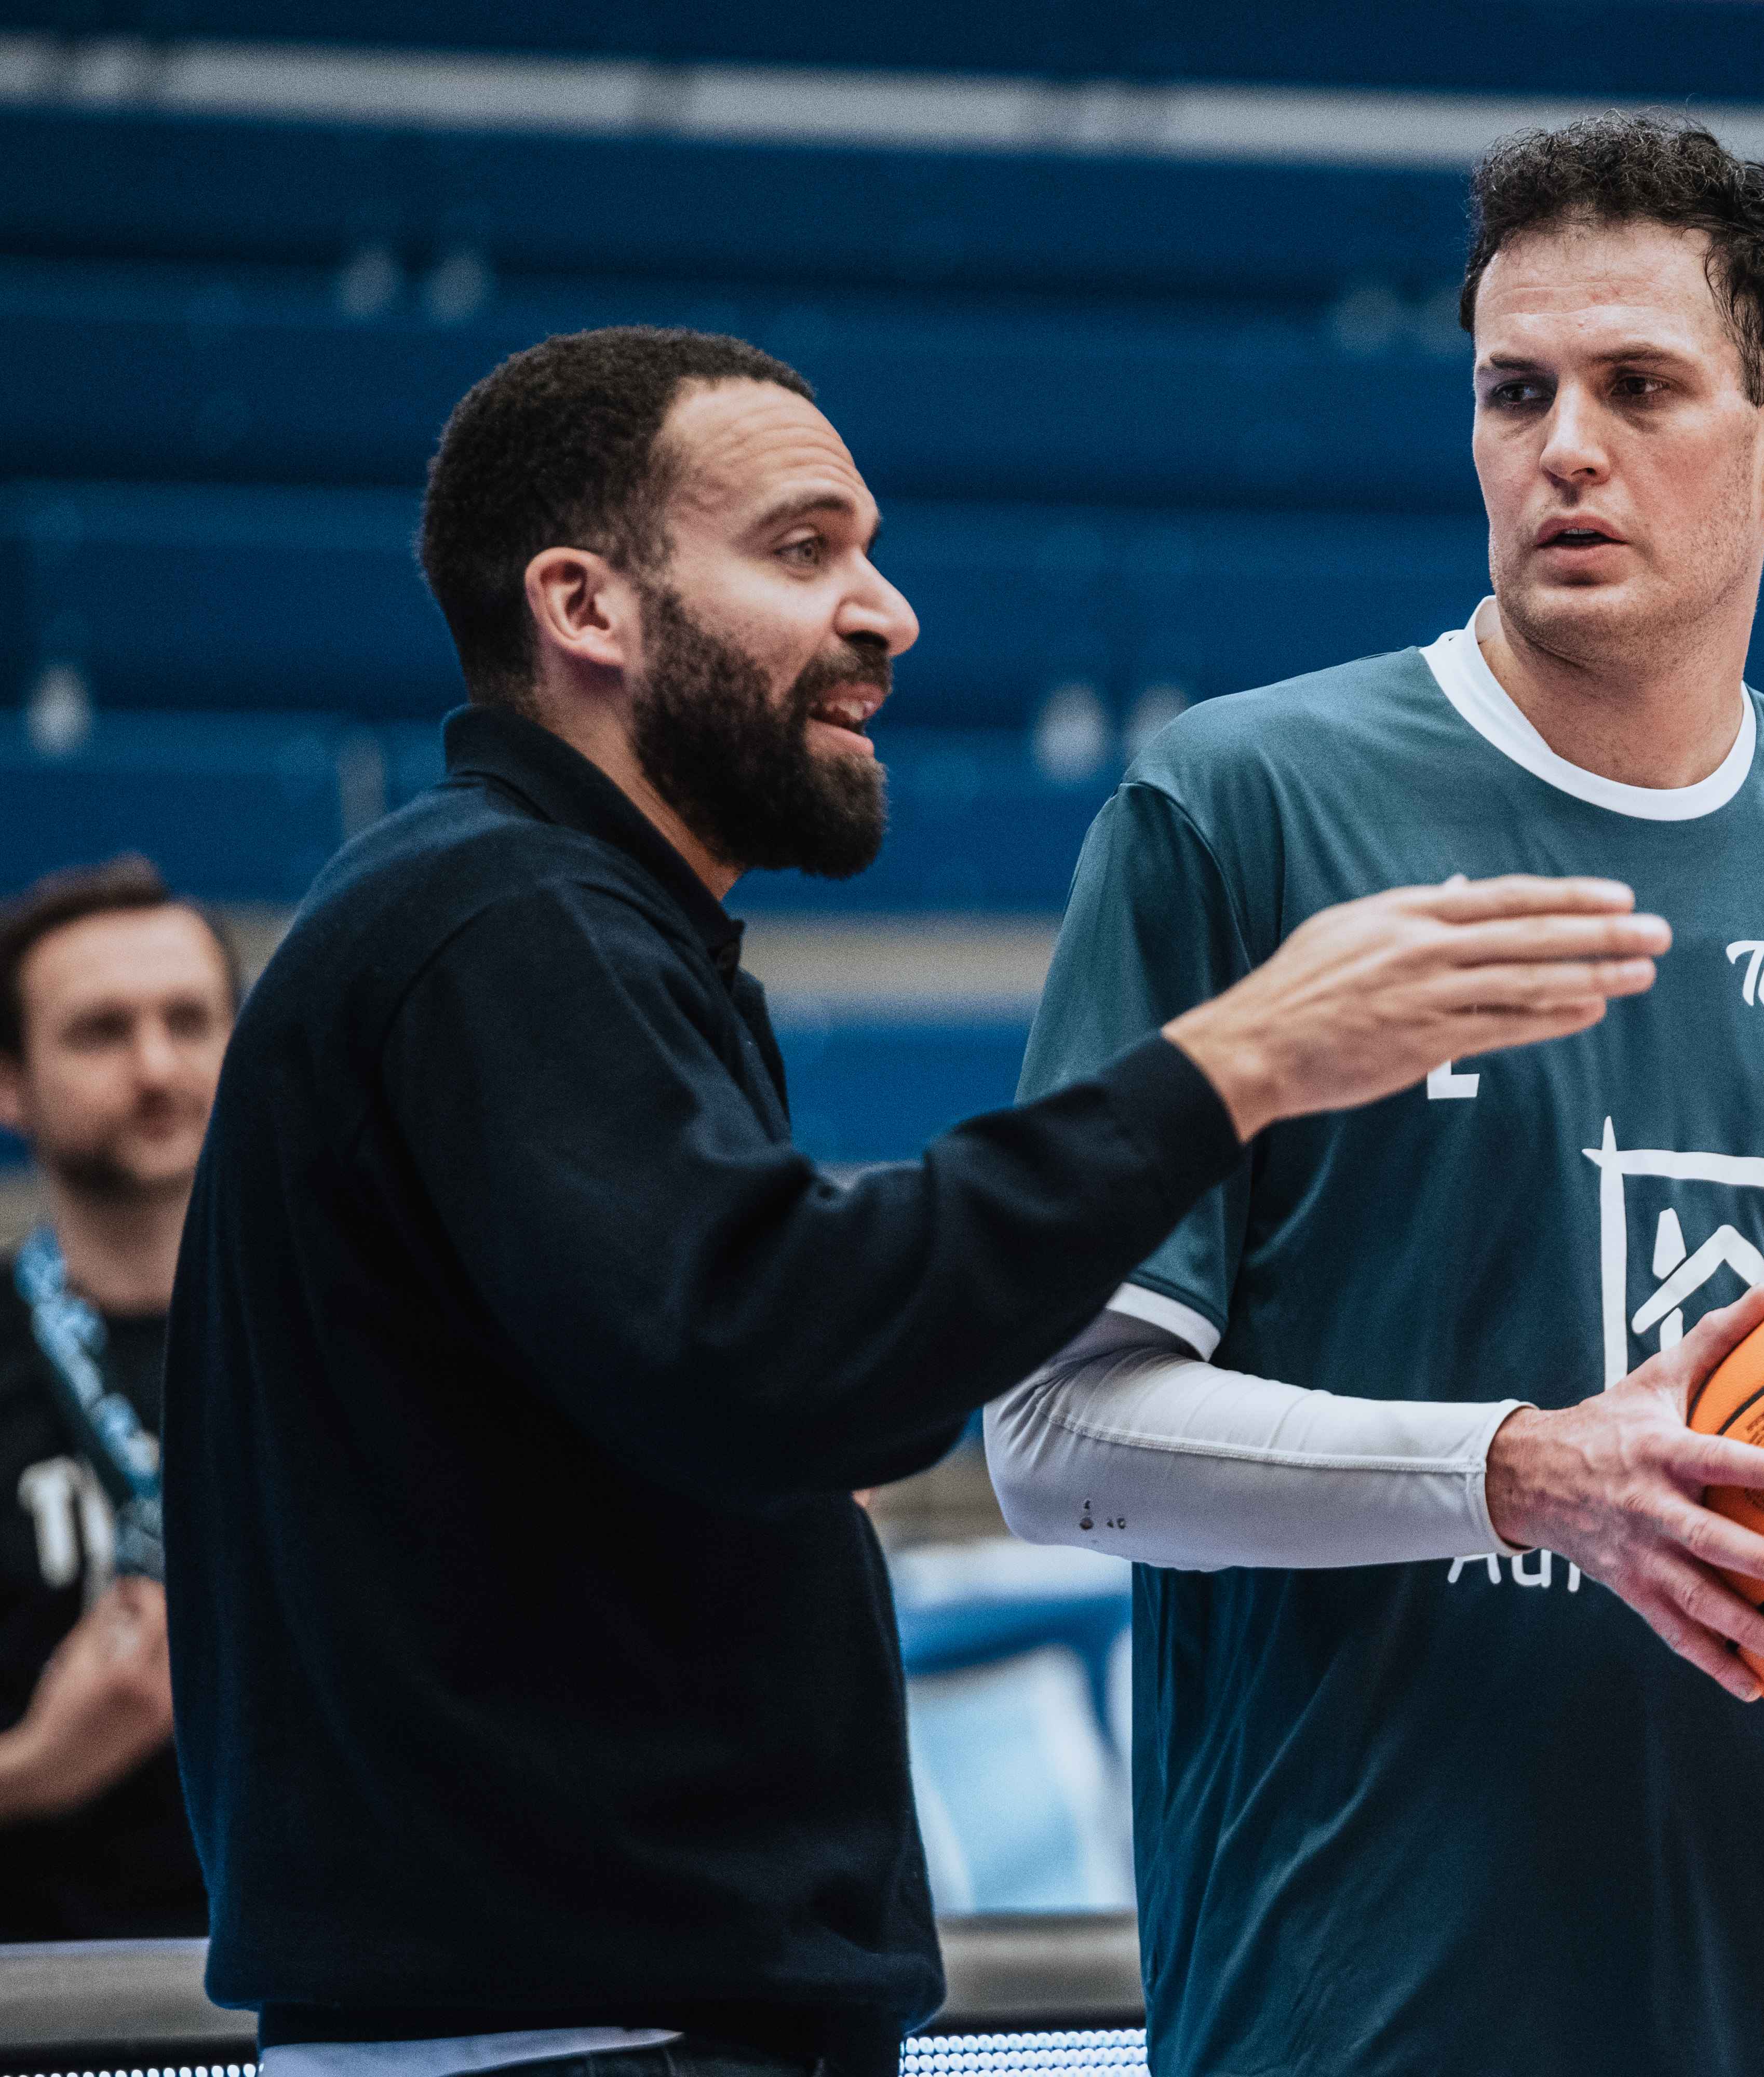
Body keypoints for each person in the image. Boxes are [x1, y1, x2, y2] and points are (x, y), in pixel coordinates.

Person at [165, 327, 1667, 2077]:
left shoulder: (559, 930)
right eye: (804, 551)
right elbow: (782, 1349)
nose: (888, 614)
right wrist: (1238, 1060)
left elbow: (762, 1367)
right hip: (573, 2036)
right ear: (587, 606)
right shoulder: (504, 921)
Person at [986, 116, 1764, 2077]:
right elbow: (1053, 1438)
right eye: (1513, 391)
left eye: (1640, 388)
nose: (1565, 445)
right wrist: (1529, 1473)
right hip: (1357, 2013)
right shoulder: (1243, 807)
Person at [0, 854, 234, 1937]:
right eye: (101, 1030)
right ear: (11, 1080)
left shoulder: (379, 1340)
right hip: (48, 2000)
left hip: (334, 2009)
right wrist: (36, 1768)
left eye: (190, 1020)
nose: (156, 1065)